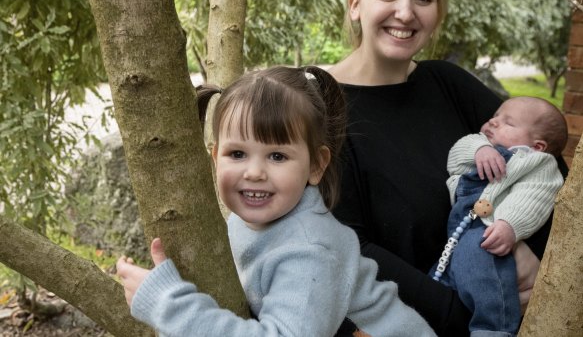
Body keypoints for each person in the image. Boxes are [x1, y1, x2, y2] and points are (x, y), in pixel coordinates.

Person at [327, 0, 569, 335]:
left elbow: (550, 167)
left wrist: (529, 251)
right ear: (355, 4)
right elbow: (347, 245)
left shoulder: (447, 83)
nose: (405, 13)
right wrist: (464, 314)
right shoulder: (321, 103)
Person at [116, 66, 436, 337]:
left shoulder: (311, 251)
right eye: (237, 154)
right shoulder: (248, 220)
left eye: (278, 156)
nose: (254, 172)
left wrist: (167, 303)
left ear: (315, 166)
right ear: (215, 157)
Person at [430, 96, 567, 336]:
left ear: (537, 146)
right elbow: (456, 157)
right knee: (441, 275)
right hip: (458, 235)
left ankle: (494, 328)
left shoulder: (537, 164)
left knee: (489, 284)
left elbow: (534, 195)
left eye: (508, 123)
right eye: (495, 116)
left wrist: (509, 225)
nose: (493, 122)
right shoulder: (479, 144)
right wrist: (480, 149)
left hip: (490, 232)